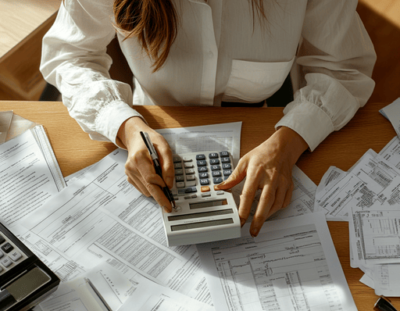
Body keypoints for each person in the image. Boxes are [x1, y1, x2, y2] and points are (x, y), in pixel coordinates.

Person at [40, 0, 376, 237]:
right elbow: (72, 54)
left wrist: (287, 145)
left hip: (265, 133)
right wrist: (124, 126)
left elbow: (343, 68)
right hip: (151, 132)